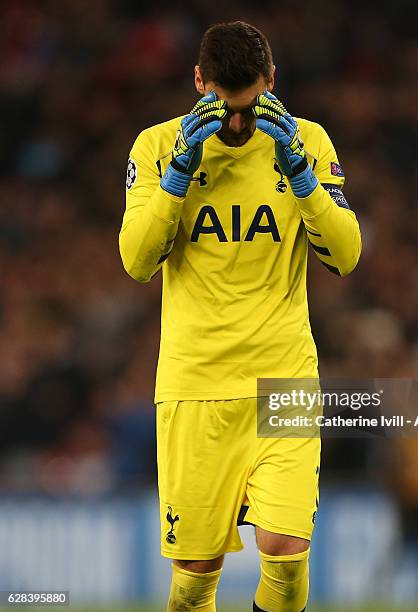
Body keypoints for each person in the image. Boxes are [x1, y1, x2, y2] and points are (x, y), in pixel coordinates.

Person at [119, 20, 361, 612]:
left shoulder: (307, 141)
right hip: (195, 385)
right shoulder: (155, 148)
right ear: (199, 82)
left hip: (285, 380)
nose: (236, 122)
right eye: (224, 105)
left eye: (250, 106)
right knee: (197, 575)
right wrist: (176, 179)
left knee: (287, 553)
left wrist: (302, 176)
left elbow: (346, 255)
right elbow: (136, 261)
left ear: (271, 82)